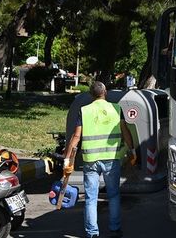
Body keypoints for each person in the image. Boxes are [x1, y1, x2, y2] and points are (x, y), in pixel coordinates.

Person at [64, 81, 136, 238]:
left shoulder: (85, 110)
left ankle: (92, 233)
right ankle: (115, 229)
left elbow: (76, 136)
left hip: (90, 160)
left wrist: (67, 159)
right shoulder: (116, 109)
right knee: (114, 195)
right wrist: (132, 151)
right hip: (112, 158)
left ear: (91, 94)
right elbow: (125, 131)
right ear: (106, 93)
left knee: (91, 197)